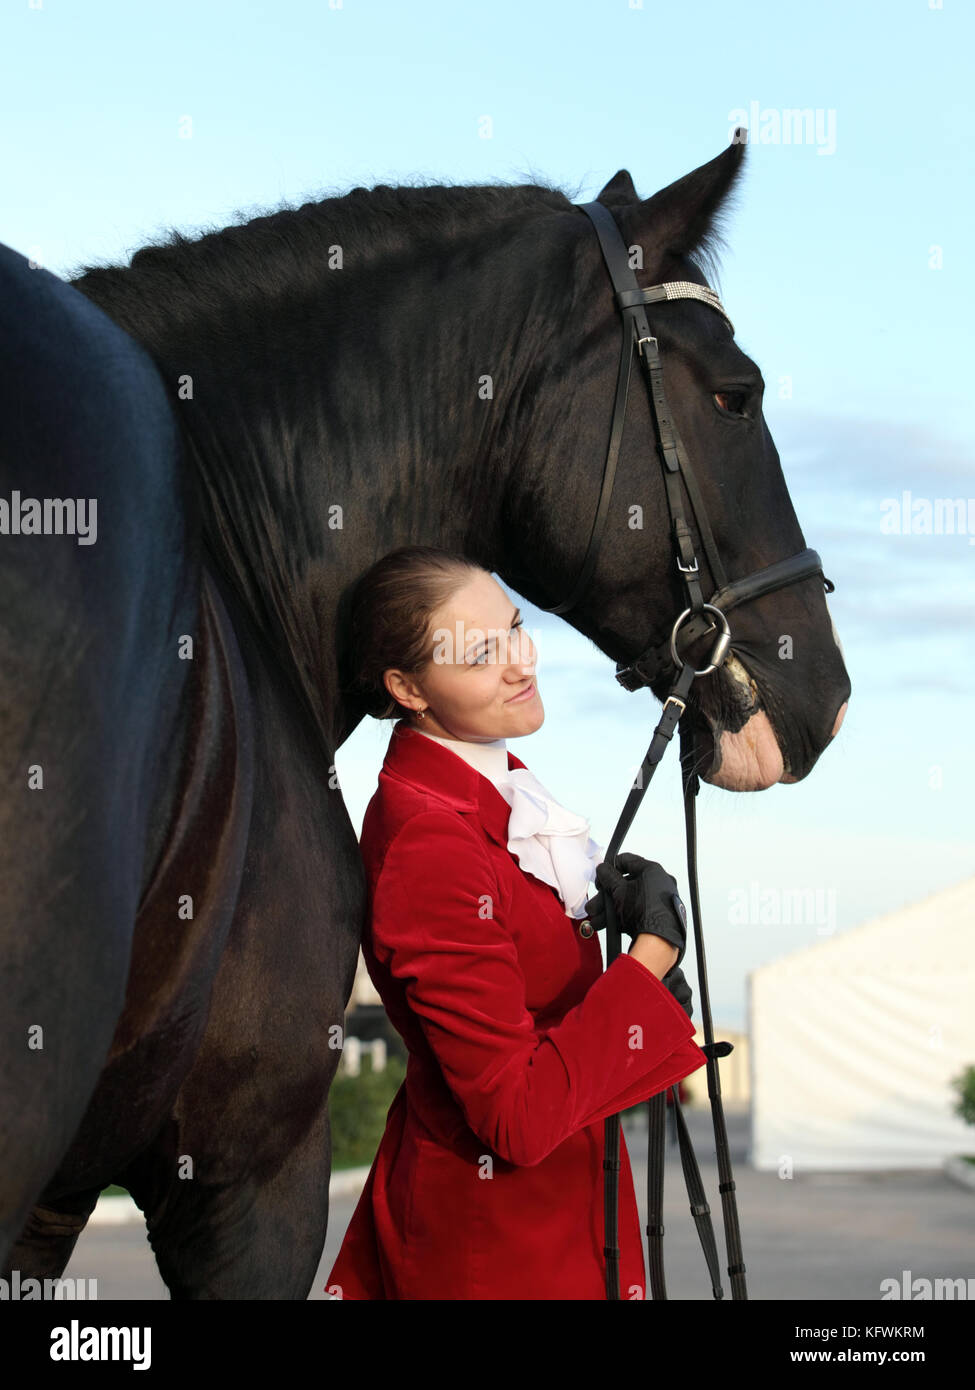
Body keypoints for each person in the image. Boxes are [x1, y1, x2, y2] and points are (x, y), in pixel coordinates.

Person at [324, 545, 706, 1300]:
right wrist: (651, 958)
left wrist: (629, 980)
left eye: (514, 629)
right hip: (494, 1246)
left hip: (557, 1220)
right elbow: (517, 1116)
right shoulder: (430, 840)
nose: (519, 663)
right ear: (407, 688)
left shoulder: (499, 790)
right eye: (478, 655)